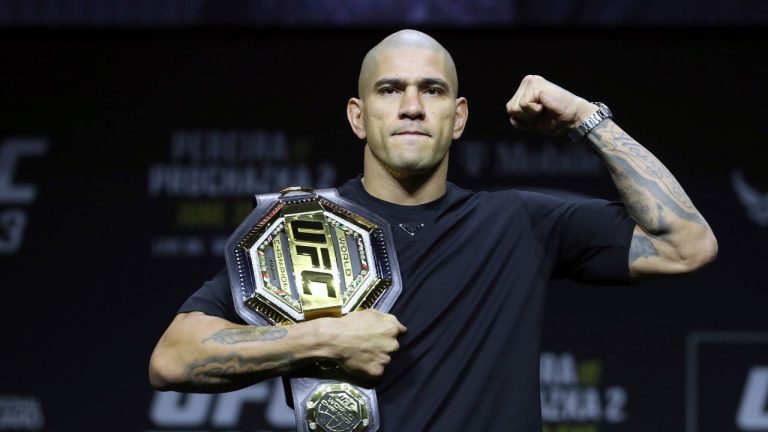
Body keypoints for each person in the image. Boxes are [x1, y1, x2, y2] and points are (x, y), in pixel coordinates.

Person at [149, 29, 717, 431]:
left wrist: (584, 118)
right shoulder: (300, 231)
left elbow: (686, 245)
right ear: (357, 115)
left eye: (433, 90)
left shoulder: (518, 222)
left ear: (460, 117)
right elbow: (171, 360)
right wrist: (322, 339)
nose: (413, 106)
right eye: (391, 90)